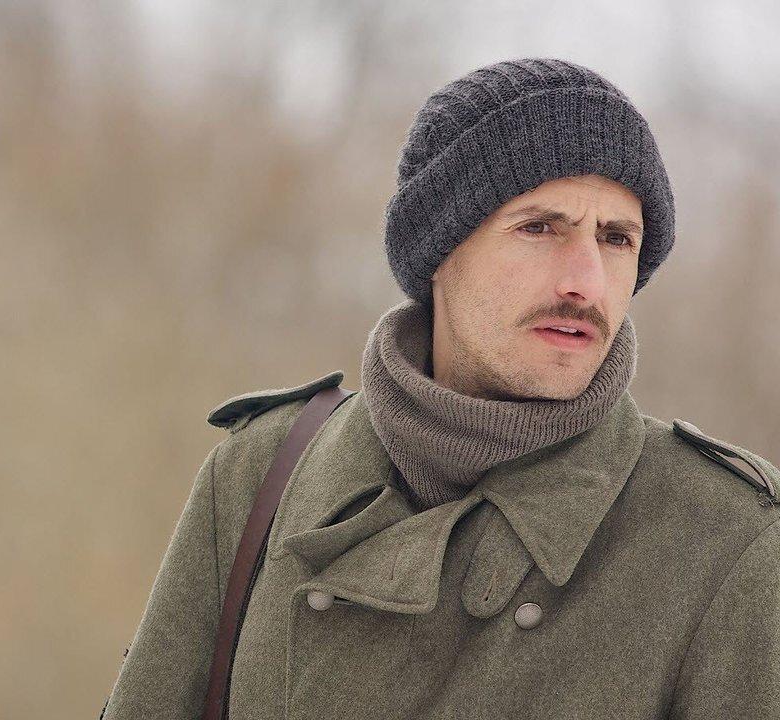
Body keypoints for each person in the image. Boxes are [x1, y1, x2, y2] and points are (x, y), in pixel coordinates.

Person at [102, 58, 780, 719]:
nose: (585, 282)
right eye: (539, 228)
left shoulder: (729, 541)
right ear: (439, 249)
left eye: (617, 239)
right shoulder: (261, 474)